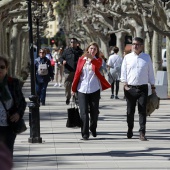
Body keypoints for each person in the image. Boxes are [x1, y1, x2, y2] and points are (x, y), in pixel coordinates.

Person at [72, 42, 111, 140]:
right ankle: (85, 133)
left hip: (94, 89)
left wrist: (91, 58)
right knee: (83, 112)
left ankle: (93, 127)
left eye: (94, 49)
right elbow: (77, 73)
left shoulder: (99, 60)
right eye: (91, 48)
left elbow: (97, 66)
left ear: (97, 51)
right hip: (82, 88)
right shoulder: (81, 60)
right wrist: (73, 88)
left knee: (94, 112)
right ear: (87, 49)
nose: (92, 50)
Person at [120, 37, 156, 141]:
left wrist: (153, 87)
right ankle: (130, 128)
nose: (135, 46)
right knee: (130, 111)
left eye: (137, 44)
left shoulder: (147, 57)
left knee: (142, 111)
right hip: (130, 88)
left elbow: (151, 73)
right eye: (134, 44)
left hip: (143, 88)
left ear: (142, 46)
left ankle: (142, 132)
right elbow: (123, 72)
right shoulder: (127, 57)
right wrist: (125, 84)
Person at [0, 55, 26, 156]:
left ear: (6, 68)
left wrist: (18, 114)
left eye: (2, 67)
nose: (0, 69)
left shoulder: (13, 83)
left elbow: (22, 103)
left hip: (9, 126)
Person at [60, 38, 83, 105]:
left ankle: (76, 98)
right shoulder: (67, 51)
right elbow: (61, 57)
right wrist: (62, 61)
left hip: (77, 71)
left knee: (77, 85)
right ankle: (68, 97)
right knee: (67, 85)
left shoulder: (80, 52)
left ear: (77, 43)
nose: (72, 43)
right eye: (71, 42)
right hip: (68, 71)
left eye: (74, 42)